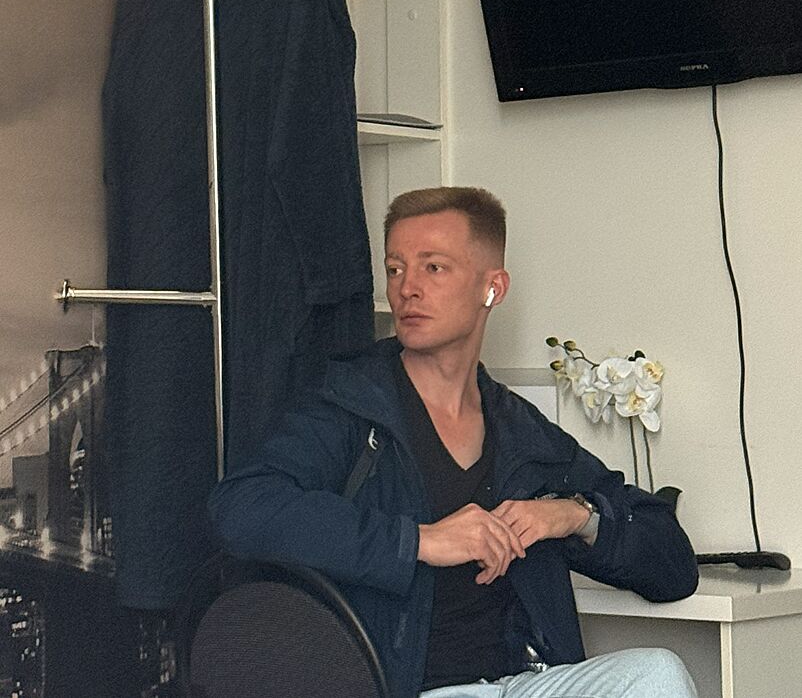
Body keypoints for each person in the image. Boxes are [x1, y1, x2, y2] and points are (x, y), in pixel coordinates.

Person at [209, 186, 699, 698]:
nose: (407, 288)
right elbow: (240, 508)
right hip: (401, 688)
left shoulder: (523, 433)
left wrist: (574, 515)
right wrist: (419, 541)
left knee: (658, 673)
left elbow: (673, 568)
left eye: (433, 268)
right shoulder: (350, 406)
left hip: (519, 683)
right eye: (395, 268)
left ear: (493, 288)